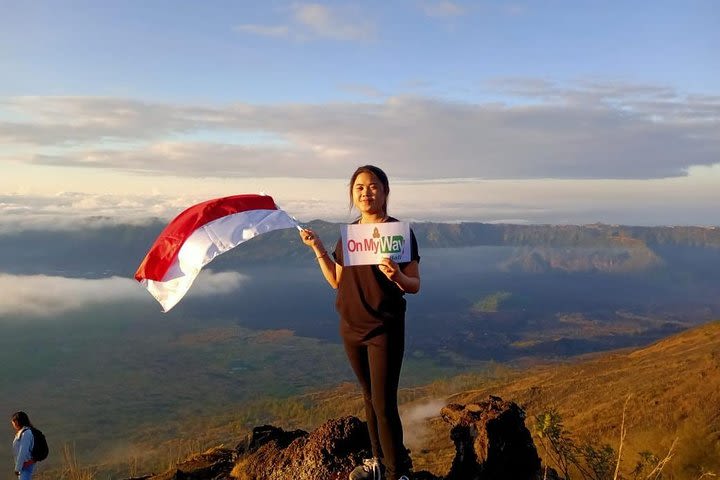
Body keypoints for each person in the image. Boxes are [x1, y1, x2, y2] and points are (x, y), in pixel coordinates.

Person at [299, 165, 420, 480]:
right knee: (368, 396)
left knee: (384, 403)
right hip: (351, 327)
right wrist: (318, 248)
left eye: (374, 186)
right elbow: (337, 282)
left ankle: (397, 473)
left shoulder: (399, 234)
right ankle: (378, 462)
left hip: (384, 329)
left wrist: (398, 276)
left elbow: (415, 284)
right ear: (353, 194)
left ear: (385, 191)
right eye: (360, 188)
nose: (367, 192)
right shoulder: (350, 236)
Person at [11, 411, 35, 480]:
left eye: (13, 422)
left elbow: (22, 452)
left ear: (17, 422)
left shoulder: (26, 433)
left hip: (25, 465)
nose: (12, 424)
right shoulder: (23, 432)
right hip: (24, 465)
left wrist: (17, 468)